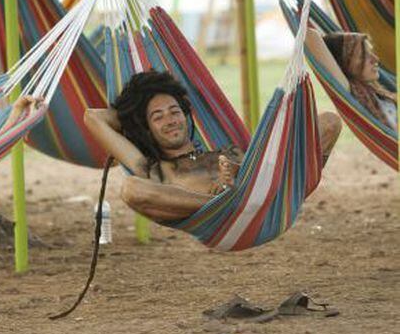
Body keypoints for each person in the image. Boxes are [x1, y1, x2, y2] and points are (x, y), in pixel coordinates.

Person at [84, 70, 342, 223]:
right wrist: (136, 113)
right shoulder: (152, 167)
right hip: (218, 216)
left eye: (174, 112)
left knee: (327, 122)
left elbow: (263, 167)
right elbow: (93, 118)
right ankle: (220, 202)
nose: (170, 120)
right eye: (158, 117)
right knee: (131, 188)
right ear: (146, 127)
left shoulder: (224, 151)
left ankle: (240, 195)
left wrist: (241, 172)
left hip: (265, 197)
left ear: (186, 116)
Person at [305, 28, 397, 131]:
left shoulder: (378, 93)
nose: (375, 59)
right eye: (363, 56)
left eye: (371, 52)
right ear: (345, 63)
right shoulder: (350, 91)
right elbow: (310, 36)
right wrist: (303, 15)